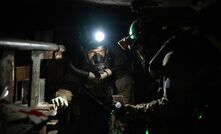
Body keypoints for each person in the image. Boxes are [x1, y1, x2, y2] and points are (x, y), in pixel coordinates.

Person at [116, 16, 207, 134]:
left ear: (151, 39)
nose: (141, 52)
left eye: (140, 46)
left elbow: (171, 107)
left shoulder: (172, 58)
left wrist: (135, 111)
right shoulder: (178, 49)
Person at [51, 22, 134, 134]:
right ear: (84, 52)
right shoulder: (78, 62)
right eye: (92, 52)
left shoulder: (116, 58)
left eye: (100, 51)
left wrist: (121, 114)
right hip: (88, 100)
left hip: (112, 99)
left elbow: (124, 89)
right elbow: (69, 85)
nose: (97, 56)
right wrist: (62, 97)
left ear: (106, 50)